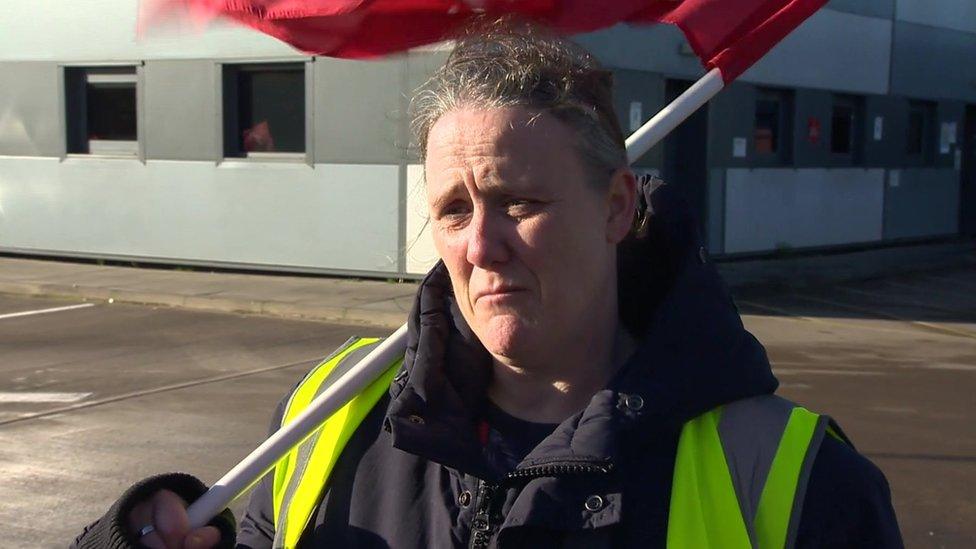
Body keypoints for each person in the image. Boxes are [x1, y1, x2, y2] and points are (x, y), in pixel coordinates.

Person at [73, 20, 902, 549]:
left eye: (520, 202)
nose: (483, 244)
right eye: (454, 209)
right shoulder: (333, 417)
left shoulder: (787, 479)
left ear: (616, 206)